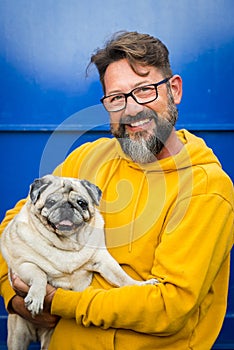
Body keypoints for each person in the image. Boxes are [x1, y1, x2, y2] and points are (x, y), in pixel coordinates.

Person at [0, 31, 233, 350]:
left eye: (145, 90)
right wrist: (13, 297)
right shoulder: (86, 157)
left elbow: (168, 306)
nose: (132, 109)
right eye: (116, 98)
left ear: (174, 90)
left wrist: (58, 302)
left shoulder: (207, 188)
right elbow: (14, 223)